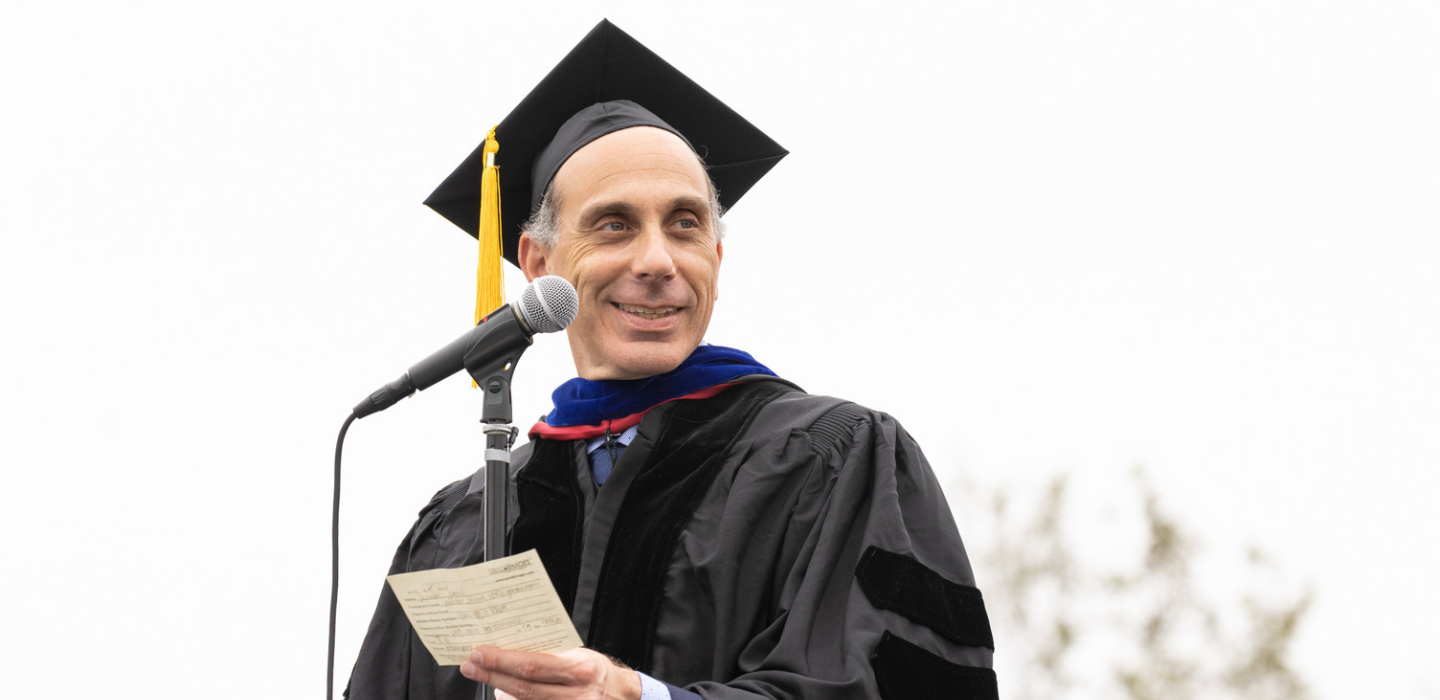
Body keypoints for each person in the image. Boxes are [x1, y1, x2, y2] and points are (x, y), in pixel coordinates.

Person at [346, 20, 997, 700]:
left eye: (685, 225)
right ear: (539, 265)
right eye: (614, 224)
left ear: (714, 260)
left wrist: (636, 698)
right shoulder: (463, 525)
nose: (657, 262)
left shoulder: (832, 461)